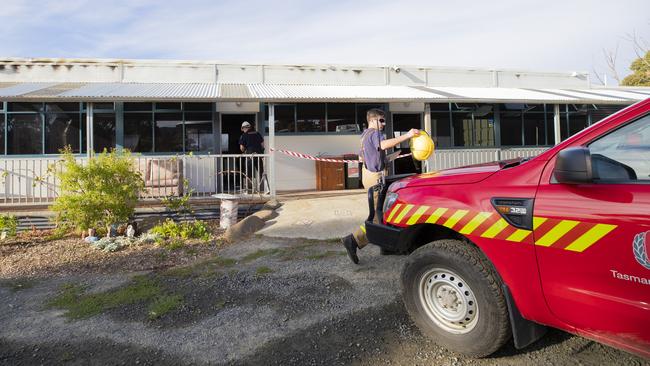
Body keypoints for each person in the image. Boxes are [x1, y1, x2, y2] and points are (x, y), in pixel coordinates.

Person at [341, 109, 420, 264]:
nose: (384, 124)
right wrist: (408, 135)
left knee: (384, 211)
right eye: (381, 121)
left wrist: (385, 159)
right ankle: (353, 240)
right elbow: (383, 144)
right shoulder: (375, 133)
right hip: (375, 177)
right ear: (372, 120)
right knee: (378, 217)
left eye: (384, 121)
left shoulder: (364, 135)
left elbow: (363, 155)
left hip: (368, 174)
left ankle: (386, 246)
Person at [238, 121, 265, 190]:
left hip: (249, 156)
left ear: (244, 128)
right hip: (258, 155)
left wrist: (244, 151)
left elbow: (241, 148)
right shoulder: (257, 133)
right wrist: (261, 152)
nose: (243, 130)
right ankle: (265, 188)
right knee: (261, 172)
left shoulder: (244, 135)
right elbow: (262, 145)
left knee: (248, 173)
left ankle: (249, 189)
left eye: (243, 129)